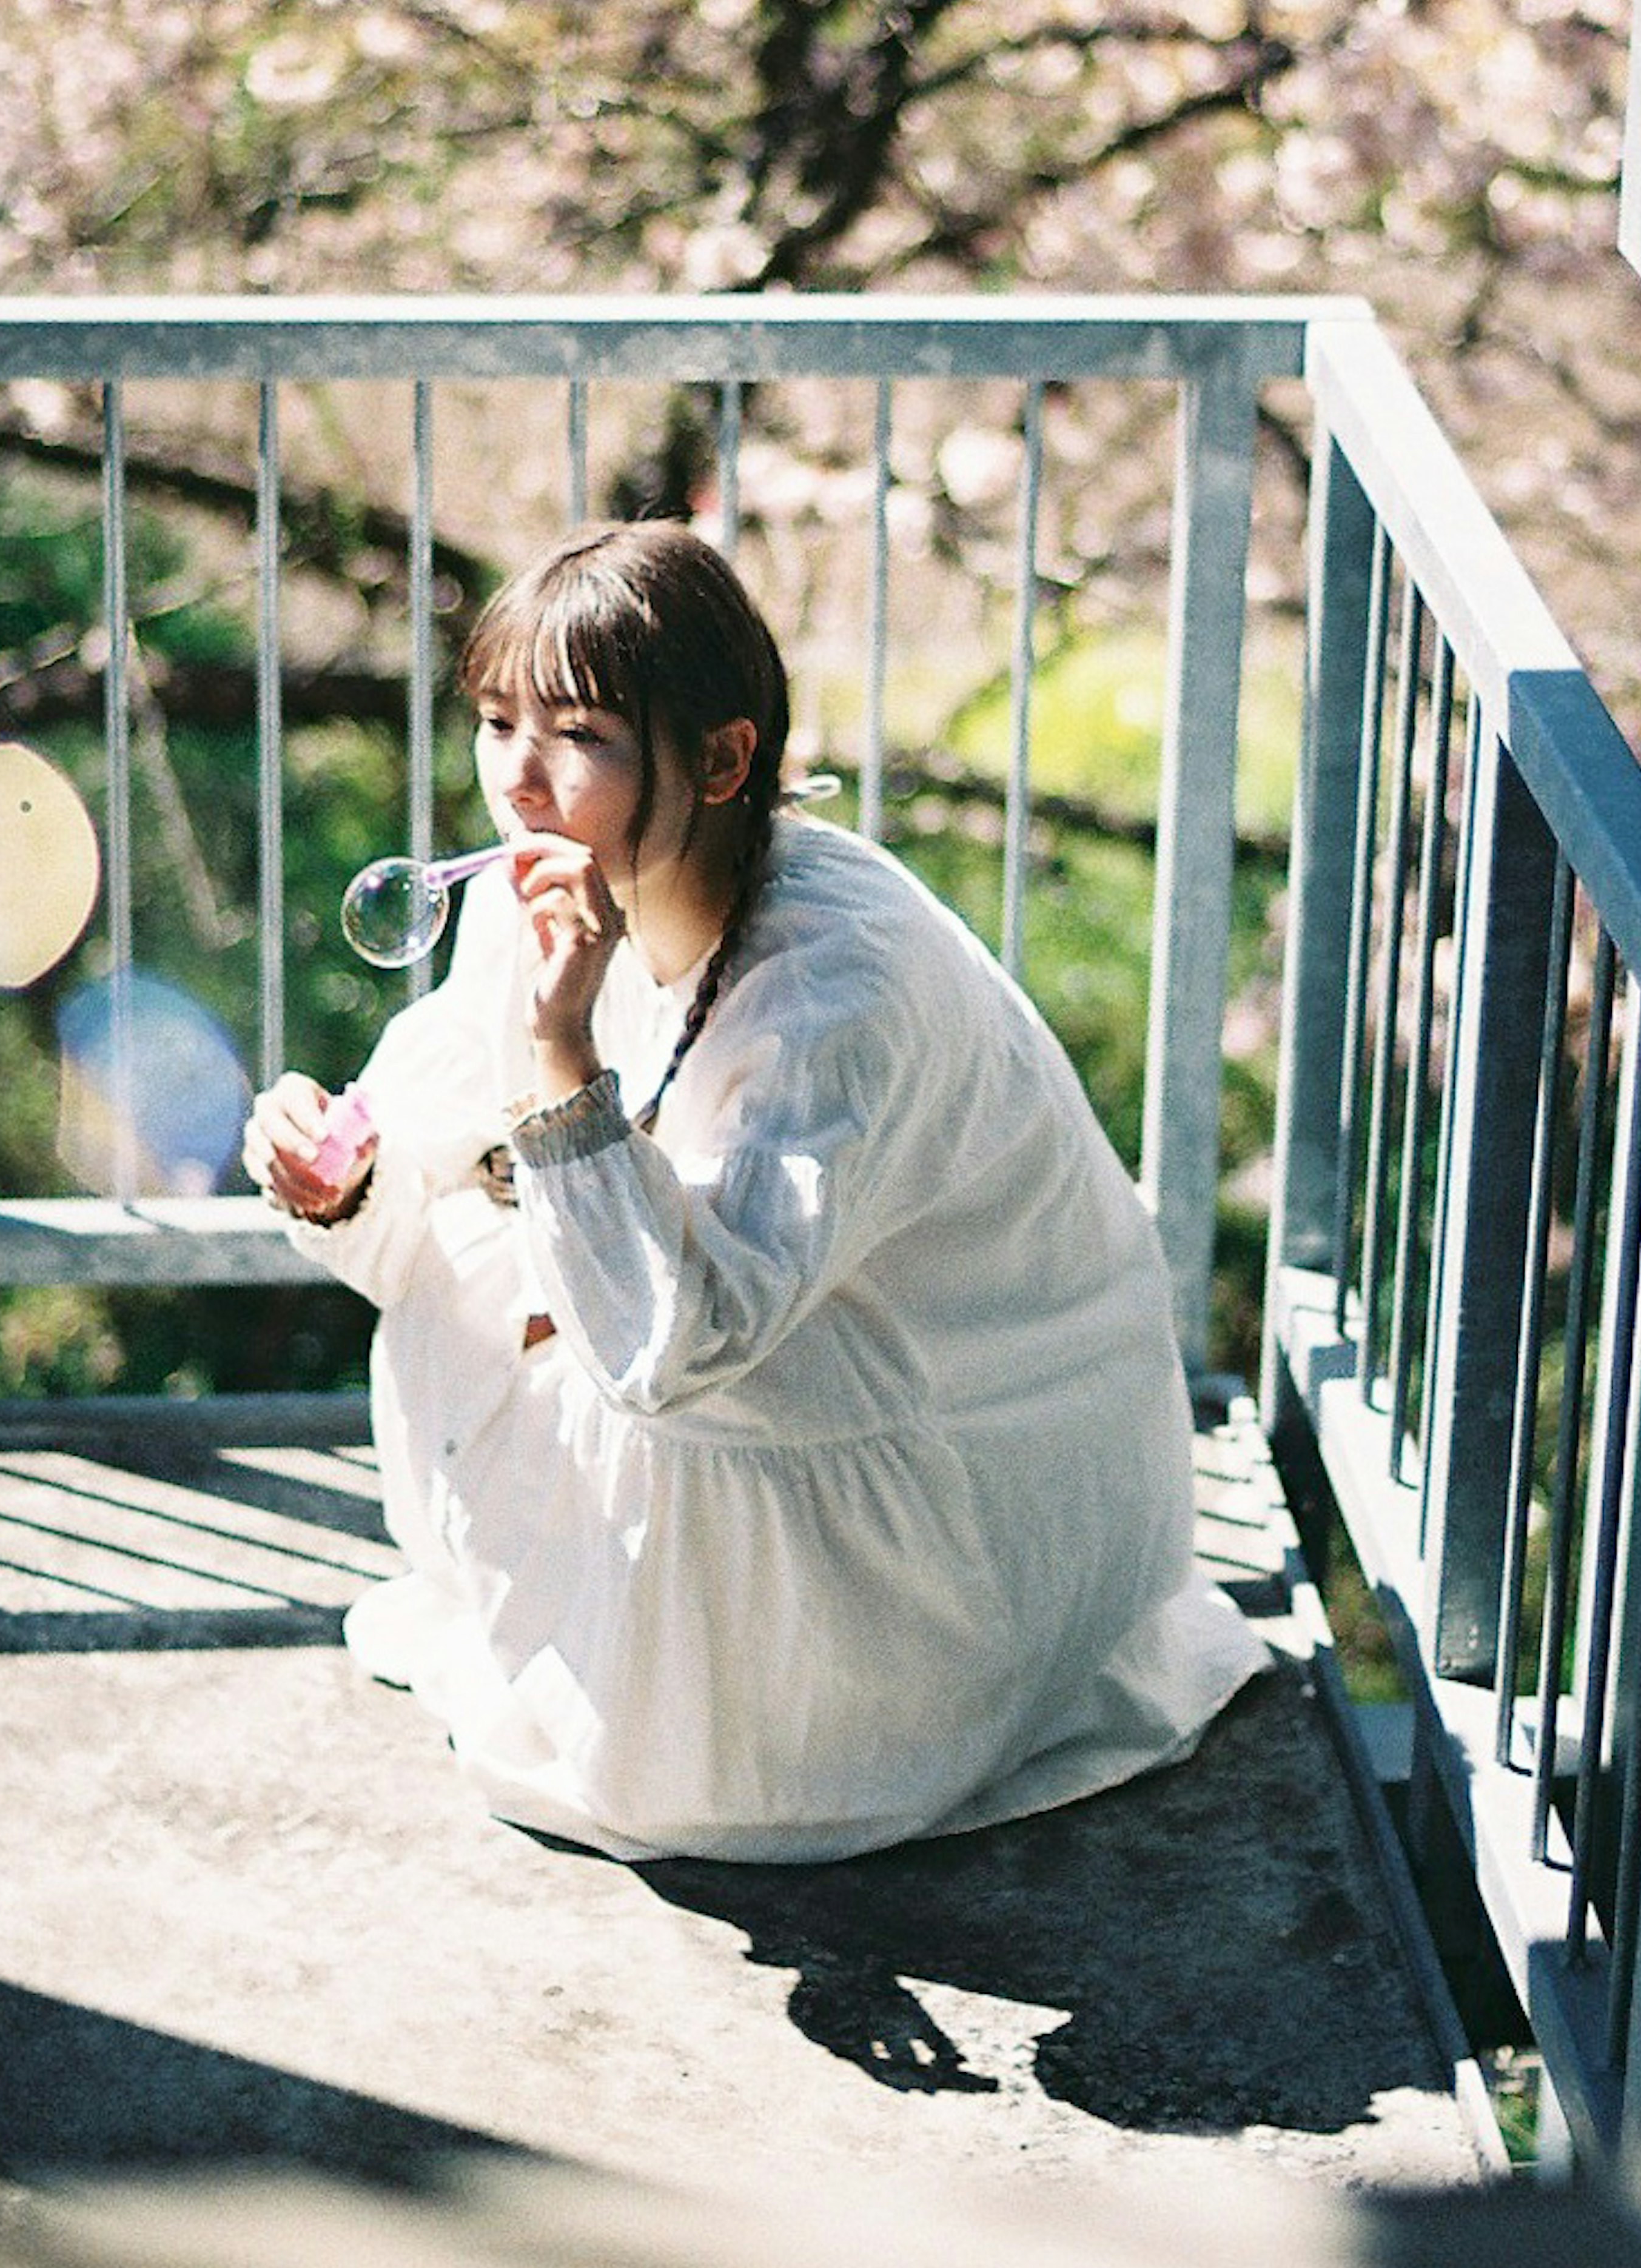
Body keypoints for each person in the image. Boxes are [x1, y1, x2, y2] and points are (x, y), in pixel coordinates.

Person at [244, 520, 1267, 1862]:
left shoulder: (843, 984)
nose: (521, 783)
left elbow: (677, 1348)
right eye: (498, 722)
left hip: (964, 1501)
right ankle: (603, 1651)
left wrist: (558, 1058)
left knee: (588, 1269)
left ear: (722, 759)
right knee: (471, 1227)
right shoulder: (532, 904)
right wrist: (342, 1179)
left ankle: (780, 1736)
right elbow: (416, 1179)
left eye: (581, 735)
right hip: (780, 1375)